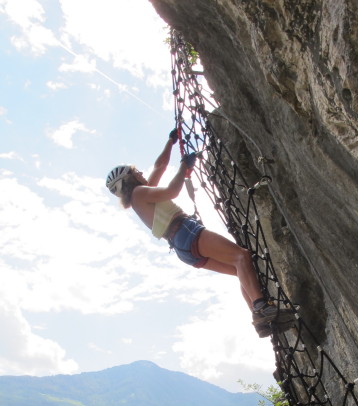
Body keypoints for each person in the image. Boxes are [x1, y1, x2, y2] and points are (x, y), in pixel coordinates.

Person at [106, 130, 295, 336]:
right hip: (186, 231)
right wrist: (183, 166)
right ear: (130, 179)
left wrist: (171, 141)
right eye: (136, 172)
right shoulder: (140, 192)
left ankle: (260, 320)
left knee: (239, 269)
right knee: (242, 257)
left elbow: (159, 166)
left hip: (182, 248)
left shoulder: (139, 198)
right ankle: (261, 308)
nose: (141, 173)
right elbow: (172, 191)